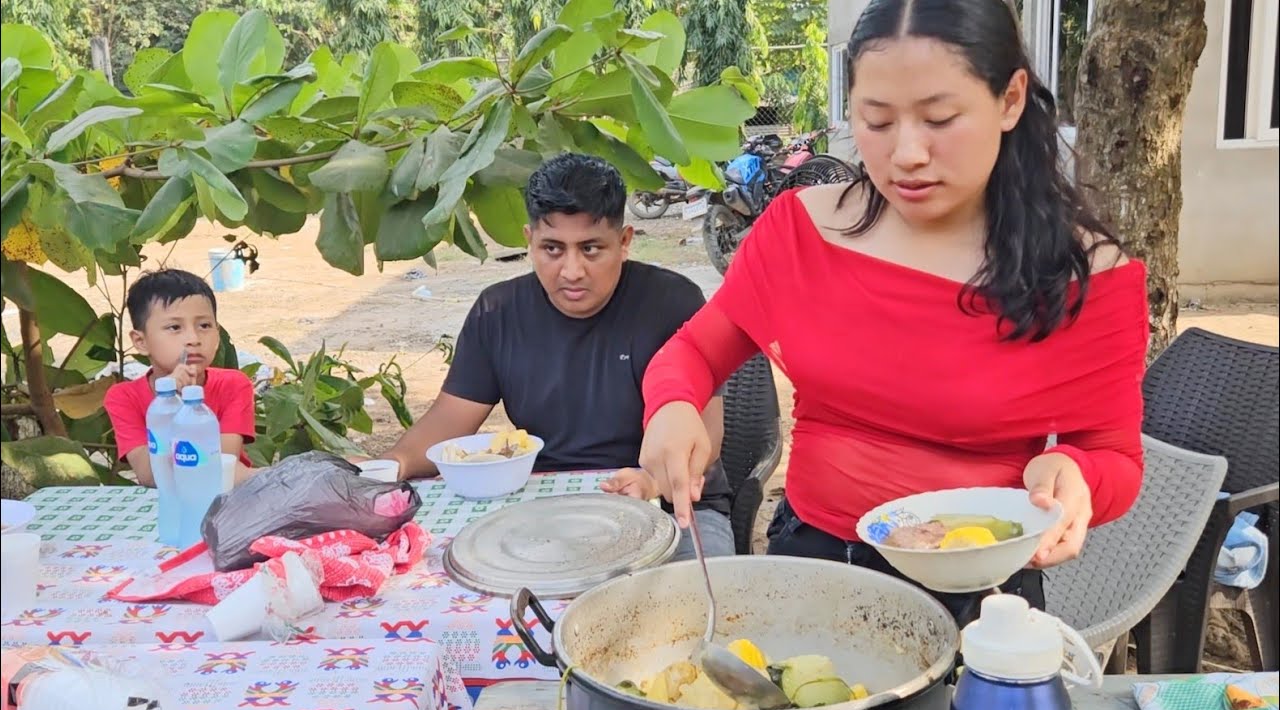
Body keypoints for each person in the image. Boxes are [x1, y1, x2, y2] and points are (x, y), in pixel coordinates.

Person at [637, 0, 1148, 622]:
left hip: (978, 585)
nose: (906, 154)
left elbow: (1115, 458)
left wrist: (1073, 471)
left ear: (1011, 100)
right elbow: (692, 352)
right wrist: (672, 407)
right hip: (814, 558)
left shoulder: (1087, 273)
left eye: (940, 119)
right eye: (876, 122)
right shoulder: (803, 231)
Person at [377, 153, 736, 561]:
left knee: (695, 612)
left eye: (590, 249)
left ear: (624, 243)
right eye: (552, 248)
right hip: (548, 504)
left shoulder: (674, 302)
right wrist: (391, 466)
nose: (571, 270)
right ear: (529, 240)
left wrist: (653, 481)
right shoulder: (498, 313)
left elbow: (705, 434)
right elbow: (448, 421)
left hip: (677, 504)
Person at [104, 269, 256, 488]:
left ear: (217, 333)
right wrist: (169, 400)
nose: (193, 339)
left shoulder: (234, 385)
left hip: (228, 503)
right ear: (140, 342)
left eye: (204, 326)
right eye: (174, 327)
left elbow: (222, 464)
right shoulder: (123, 397)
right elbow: (149, 475)